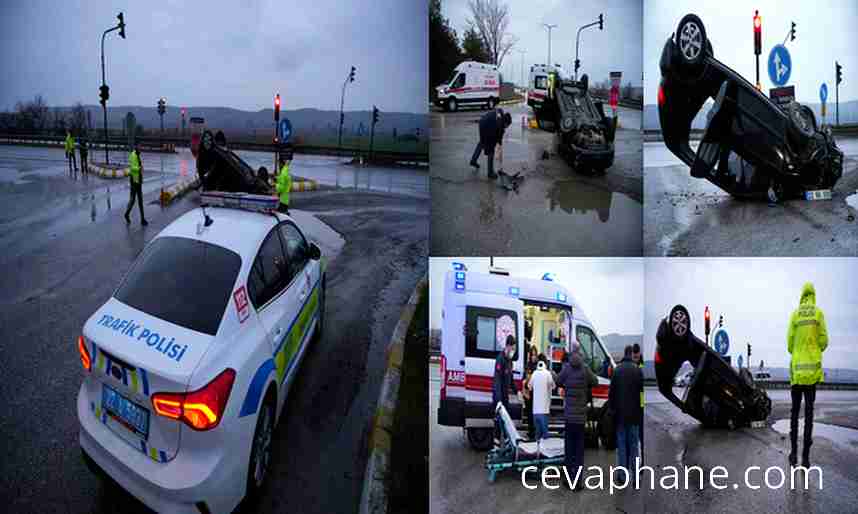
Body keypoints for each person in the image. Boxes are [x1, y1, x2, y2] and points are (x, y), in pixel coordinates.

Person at [787, 282, 828, 468]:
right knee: (809, 415)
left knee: (795, 414)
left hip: (797, 374)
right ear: (813, 295)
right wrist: (814, 349)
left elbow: (789, 343)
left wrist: (798, 351)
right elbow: (824, 341)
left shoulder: (795, 314)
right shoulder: (819, 314)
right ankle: (806, 458)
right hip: (811, 375)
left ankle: (793, 454)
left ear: (802, 295)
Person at [556, 343, 597, 490]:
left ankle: (568, 480)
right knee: (579, 451)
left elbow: (557, 381)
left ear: (571, 352)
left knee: (569, 450)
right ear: (580, 352)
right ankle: (577, 481)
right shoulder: (585, 368)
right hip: (580, 418)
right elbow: (596, 382)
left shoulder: (566, 368)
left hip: (569, 417)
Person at [609, 345, 644, 480]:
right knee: (634, 446)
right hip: (634, 416)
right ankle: (635, 476)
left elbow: (612, 395)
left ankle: (622, 476)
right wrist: (640, 409)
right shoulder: (637, 371)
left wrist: (612, 411)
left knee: (622, 446)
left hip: (620, 417)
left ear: (624, 354)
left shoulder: (617, 371)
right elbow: (642, 394)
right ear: (631, 354)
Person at [469, 108, 512, 180]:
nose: (506, 128)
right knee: (491, 150)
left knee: (482, 142)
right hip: (488, 127)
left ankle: (473, 160)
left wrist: (499, 146)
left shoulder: (500, 112)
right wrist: (499, 155)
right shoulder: (500, 127)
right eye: (507, 126)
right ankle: (490, 173)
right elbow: (498, 144)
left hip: (482, 122)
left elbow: (497, 110)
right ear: (505, 123)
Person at [492, 335, 518, 445]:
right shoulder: (500, 359)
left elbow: (511, 378)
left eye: (514, 349)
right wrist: (498, 400)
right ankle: (496, 444)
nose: (513, 351)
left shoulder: (509, 361)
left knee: (507, 419)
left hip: (505, 395)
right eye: (512, 348)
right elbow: (497, 381)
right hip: (499, 396)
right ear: (507, 346)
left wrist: (517, 391)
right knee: (498, 420)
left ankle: (507, 442)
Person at [529, 360, 555, 442]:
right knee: (545, 435)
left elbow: (529, 386)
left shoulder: (534, 373)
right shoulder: (548, 374)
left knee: (537, 434)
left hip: (535, 410)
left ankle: (537, 451)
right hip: (544, 410)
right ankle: (545, 452)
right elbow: (553, 386)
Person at [124, 145, 148, 226]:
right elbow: (132, 167)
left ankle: (142, 219)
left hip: (137, 180)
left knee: (137, 200)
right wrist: (139, 168)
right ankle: (128, 214)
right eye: (140, 148)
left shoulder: (136, 155)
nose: (141, 150)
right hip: (135, 181)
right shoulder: (134, 155)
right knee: (135, 200)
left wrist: (140, 168)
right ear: (136, 148)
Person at [523, 344, 539, 439]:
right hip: (529, 393)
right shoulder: (528, 365)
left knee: (534, 413)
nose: (533, 357)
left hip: (535, 393)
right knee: (529, 413)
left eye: (535, 355)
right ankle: (530, 431)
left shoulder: (538, 366)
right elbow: (526, 379)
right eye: (532, 355)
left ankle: (534, 432)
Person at [633, 342, 645, 465]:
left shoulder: (641, 366)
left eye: (637, 355)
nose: (636, 357)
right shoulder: (636, 366)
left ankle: (641, 463)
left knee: (640, 436)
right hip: (636, 405)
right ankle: (638, 462)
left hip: (639, 405)